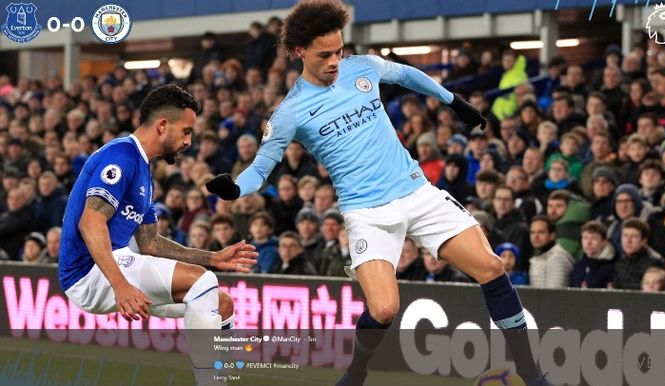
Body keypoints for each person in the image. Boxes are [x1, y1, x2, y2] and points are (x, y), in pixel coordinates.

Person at [206, 2, 547, 385]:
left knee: (491, 267)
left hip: (417, 193)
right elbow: (262, 168)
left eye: (338, 50)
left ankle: (532, 374)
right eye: (325, 55)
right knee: (384, 309)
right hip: (366, 214)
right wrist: (236, 188)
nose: (336, 60)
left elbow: (407, 75)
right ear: (300, 51)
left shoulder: (362, 67)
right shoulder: (290, 112)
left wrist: (454, 102)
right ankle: (357, 372)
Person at [58, 85, 258, 386]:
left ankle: (225, 376)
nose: (189, 141)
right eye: (186, 131)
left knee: (220, 303)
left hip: (111, 266)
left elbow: (151, 243)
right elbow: (91, 223)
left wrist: (213, 257)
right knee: (202, 281)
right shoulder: (121, 156)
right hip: (90, 272)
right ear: (162, 126)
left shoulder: (143, 172)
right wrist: (121, 285)